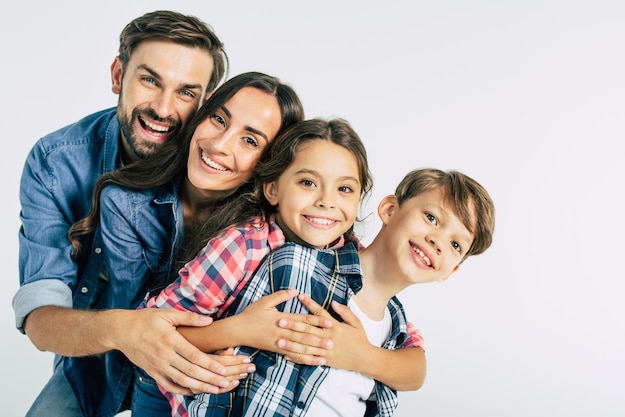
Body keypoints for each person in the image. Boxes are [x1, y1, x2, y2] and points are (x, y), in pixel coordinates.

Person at [13, 10, 229, 417]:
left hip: (193, 373)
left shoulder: (219, 168)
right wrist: (127, 331)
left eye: (186, 92)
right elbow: (41, 319)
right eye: (150, 80)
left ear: (204, 102)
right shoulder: (55, 163)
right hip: (93, 366)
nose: (163, 109)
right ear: (118, 75)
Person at [139, 118, 428, 417]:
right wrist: (238, 330)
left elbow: (414, 365)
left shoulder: (351, 257)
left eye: (344, 188)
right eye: (308, 183)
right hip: (174, 396)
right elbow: (153, 333)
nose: (327, 201)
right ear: (273, 189)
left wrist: (364, 356)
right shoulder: (244, 247)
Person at [68, 71, 312, 415]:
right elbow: (140, 327)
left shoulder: (265, 227)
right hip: (121, 361)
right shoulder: (124, 204)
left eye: (250, 141)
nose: (220, 144)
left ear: (271, 164)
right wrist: (234, 332)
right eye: (219, 119)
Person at [191, 167, 496, 417]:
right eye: (431, 218)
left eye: (455, 244)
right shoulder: (294, 265)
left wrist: (363, 356)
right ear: (390, 209)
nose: (438, 240)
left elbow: (416, 374)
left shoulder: (397, 333)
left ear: (451, 271)